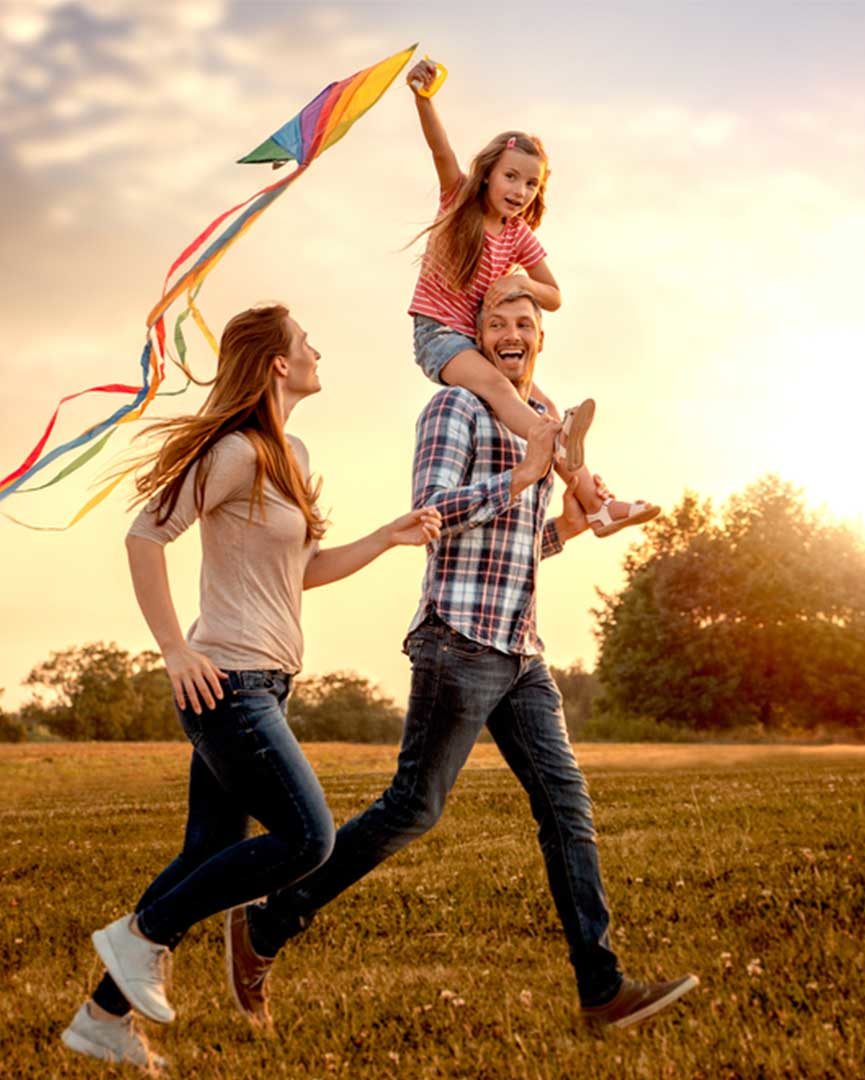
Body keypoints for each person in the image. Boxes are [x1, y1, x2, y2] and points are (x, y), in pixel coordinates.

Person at [225, 289, 698, 1030]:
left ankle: (601, 991)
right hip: (458, 640)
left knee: (566, 808)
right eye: (497, 325)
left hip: (521, 648)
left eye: (525, 326)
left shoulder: (534, 424)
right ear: (475, 341)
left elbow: (515, 549)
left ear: (540, 340)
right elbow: (434, 514)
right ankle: (267, 924)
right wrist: (522, 475)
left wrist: (567, 526)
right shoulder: (455, 410)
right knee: (413, 808)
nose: (512, 335)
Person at [61, 304, 441, 1070]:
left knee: (209, 847)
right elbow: (146, 534)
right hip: (224, 681)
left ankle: (100, 1020)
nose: (316, 350)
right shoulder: (234, 450)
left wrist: (385, 537)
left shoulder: (288, 452)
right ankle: (141, 935)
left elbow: (300, 573)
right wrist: (174, 649)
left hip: (266, 681)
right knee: (309, 838)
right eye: (306, 341)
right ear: (275, 361)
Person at [405, 56, 660, 539]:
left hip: (476, 341)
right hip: (439, 336)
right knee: (507, 396)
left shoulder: (518, 234)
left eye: (531, 184)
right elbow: (440, 152)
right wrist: (424, 99)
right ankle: (553, 439)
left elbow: (555, 295)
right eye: (511, 177)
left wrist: (523, 283)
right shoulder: (458, 201)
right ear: (487, 175)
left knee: (542, 405)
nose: (520, 190)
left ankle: (598, 506)